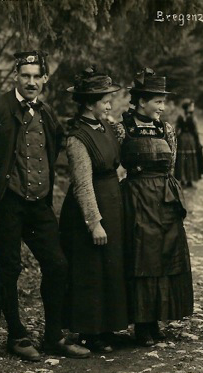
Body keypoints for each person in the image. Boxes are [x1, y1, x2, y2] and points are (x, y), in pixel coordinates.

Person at [0, 51, 90, 361]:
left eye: (36, 76)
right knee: (10, 266)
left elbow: (54, 146)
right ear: (16, 77)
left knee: (57, 265)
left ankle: (53, 336)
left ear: (44, 79)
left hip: (39, 205)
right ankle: (17, 335)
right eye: (25, 76)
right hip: (7, 203)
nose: (31, 82)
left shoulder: (46, 113)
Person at [117, 68, 193, 347]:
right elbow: (115, 166)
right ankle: (141, 323)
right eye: (158, 101)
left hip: (164, 198)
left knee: (165, 255)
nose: (163, 106)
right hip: (136, 199)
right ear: (141, 102)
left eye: (163, 101)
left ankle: (157, 319)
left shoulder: (167, 129)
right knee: (142, 258)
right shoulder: (121, 129)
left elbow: (171, 164)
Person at [59, 67, 128, 353]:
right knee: (91, 270)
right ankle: (89, 332)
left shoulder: (106, 127)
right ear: (89, 103)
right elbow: (83, 185)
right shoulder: (77, 138)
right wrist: (94, 222)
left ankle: (107, 328)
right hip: (90, 210)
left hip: (111, 202)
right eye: (105, 101)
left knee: (110, 266)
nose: (110, 105)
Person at [174, 99, 203, 186]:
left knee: (184, 158)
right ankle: (188, 179)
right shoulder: (191, 117)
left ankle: (184, 178)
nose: (193, 108)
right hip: (189, 140)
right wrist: (198, 141)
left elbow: (177, 129)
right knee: (188, 158)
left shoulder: (181, 117)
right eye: (192, 106)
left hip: (183, 139)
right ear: (187, 107)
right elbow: (195, 130)